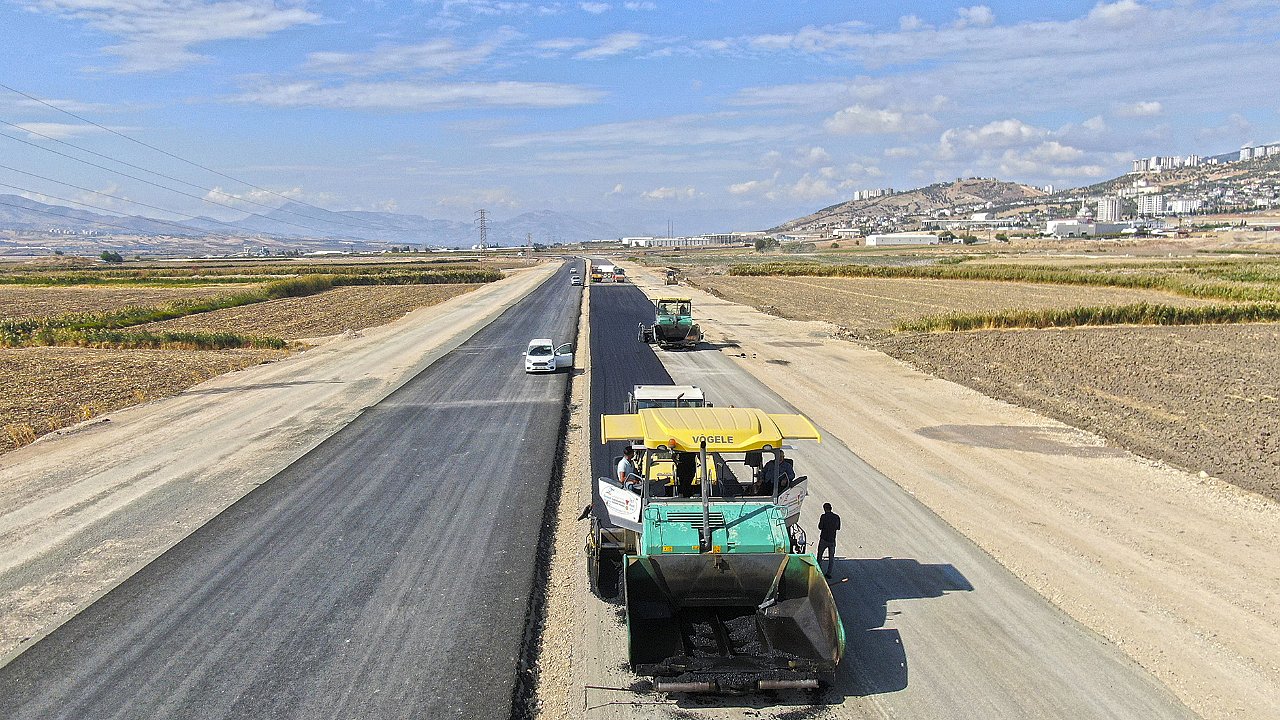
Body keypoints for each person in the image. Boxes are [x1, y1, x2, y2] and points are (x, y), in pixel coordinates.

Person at [816, 502, 840, 579]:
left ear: (824, 509)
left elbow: (820, 527)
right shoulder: (836, 517)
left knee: (819, 556)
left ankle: (818, 572)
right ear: (831, 508)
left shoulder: (823, 516)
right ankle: (828, 573)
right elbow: (838, 528)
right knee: (831, 558)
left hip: (824, 539)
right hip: (832, 540)